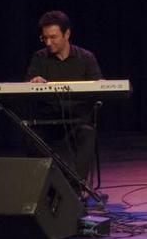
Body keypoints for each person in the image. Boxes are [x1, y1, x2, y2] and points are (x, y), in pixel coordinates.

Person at [25, 10, 103, 187]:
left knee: (88, 133)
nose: (48, 42)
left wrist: (100, 85)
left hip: (77, 121)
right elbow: (26, 87)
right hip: (49, 121)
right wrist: (33, 83)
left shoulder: (86, 58)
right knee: (30, 136)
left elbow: (100, 87)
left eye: (53, 37)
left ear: (67, 34)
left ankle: (74, 189)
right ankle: (52, 187)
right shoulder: (39, 58)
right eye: (44, 38)